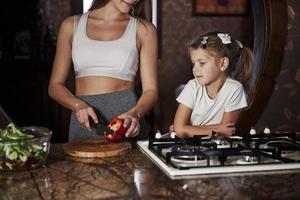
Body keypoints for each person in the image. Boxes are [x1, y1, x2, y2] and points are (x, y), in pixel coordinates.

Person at [48, 0, 158, 141]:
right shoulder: (70, 26)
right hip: (85, 121)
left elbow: (151, 90)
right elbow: (54, 86)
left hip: (126, 123)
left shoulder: (144, 29)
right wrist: (78, 105)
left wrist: (135, 114)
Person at [173, 31, 253, 137]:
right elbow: (179, 129)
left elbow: (225, 132)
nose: (195, 69)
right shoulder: (192, 86)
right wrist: (216, 129)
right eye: (193, 63)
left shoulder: (235, 89)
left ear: (223, 63)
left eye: (202, 63)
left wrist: (187, 129)